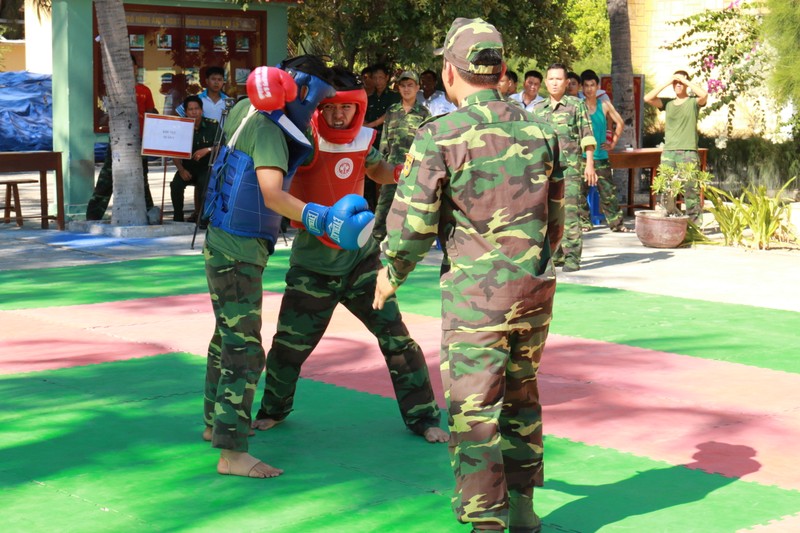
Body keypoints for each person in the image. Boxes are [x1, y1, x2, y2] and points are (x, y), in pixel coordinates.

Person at [373, 17, 564, 533]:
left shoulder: (440, 134)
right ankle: (523, 511)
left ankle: (487, 523)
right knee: (522, 397)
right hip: (534, 290)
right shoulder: (542, 129)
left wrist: (391, 270)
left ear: (449, 72)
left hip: (477, 299)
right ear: (500, 69)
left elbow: (413, 222)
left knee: (473, 411)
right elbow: (557, 222)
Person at [251, 65, 447, 445]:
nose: (340, 116)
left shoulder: (362, 138)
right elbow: (274, 186)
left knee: (397, 340)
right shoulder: (301, 139)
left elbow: (375, 169)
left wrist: (401, 173)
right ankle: (273, 410)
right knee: (288, 349)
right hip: (312, 267)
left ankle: (424, 417)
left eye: (346, 108)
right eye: (331, 108)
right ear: (319, 108)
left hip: (362, 262)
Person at [201, 55, 372, 478]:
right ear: (302, 91)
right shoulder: (270, 130)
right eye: (317, 101)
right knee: (244, 348)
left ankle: (214, 424)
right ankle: (232, 453)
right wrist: (325, 219)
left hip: (222, 241)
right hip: (237, 250)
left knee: (225, 336)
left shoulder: (245, 109)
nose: (317, 110)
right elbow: (274, 195)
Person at [533, 63, 596, 273]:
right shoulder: (538, 108)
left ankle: (572, 257)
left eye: (559, 79)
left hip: (570, 170)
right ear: (545, 81)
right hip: (545, 171)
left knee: (569, 214)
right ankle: (555, 254)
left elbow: (587, 135)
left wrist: (589, 164)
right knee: (548, 214)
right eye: (550, 79)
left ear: (567, 82)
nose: (554, 83)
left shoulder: (576, 105)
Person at [86, 54, 157, 221]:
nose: (130, 70)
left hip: (141, 140)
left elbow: (151, 114)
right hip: (120, 141)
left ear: (136, 68)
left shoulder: (144, 90)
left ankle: (148, 214)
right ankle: (93, 216)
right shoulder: (114, 90)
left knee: (142, 178)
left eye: (132, 66)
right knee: (107, 177)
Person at [373, 70, 430, 242]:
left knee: (413, 207)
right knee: (384, 205)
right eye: (403, 85)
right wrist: (381, 164)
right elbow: (384, 138)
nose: (406, 89)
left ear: (417, 87)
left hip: (414, 168)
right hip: (391, 168)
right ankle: (375, 240)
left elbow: (428, 141)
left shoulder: (424, 113)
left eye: (410, 85)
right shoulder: (392, 111)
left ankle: (408, 243)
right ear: (398, 88)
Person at [644, 69, 708, 221]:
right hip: (669, 153)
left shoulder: (693, 102)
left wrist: (684, 80)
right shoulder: (668, 103)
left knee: (690, 189)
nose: (678, 84)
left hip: (688, 152)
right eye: (676, 82)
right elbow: (648, 98)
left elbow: (704, 95)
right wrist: (668, 81)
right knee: (667, 190)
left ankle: (694, 225)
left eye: (682, 82)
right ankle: (670, 221)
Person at [579, 69, 629, 232]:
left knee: (608, 193)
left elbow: (620, 123)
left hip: (601, 156)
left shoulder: (605, 105)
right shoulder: (578, 106)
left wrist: (612, 143)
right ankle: (584, 223)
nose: (589, 89)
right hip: (581, 157)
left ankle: (617, 224)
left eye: (592, 85)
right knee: (579, 192)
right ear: (581, 87)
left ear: (597, 86)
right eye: (585, 85)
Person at [169, 95, 218, 222]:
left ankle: (202, 217)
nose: (194, 112)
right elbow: (173, 152)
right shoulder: (179, 127)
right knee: (176, 185)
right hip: (187, 167)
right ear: (185, 112)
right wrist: (181, 170)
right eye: (190, 109)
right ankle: (178, 216)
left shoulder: (212, 126)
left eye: (197, 108)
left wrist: (207, 150)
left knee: (203, 184)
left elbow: (221, 146)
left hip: (205, 168)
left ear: (201, 110)